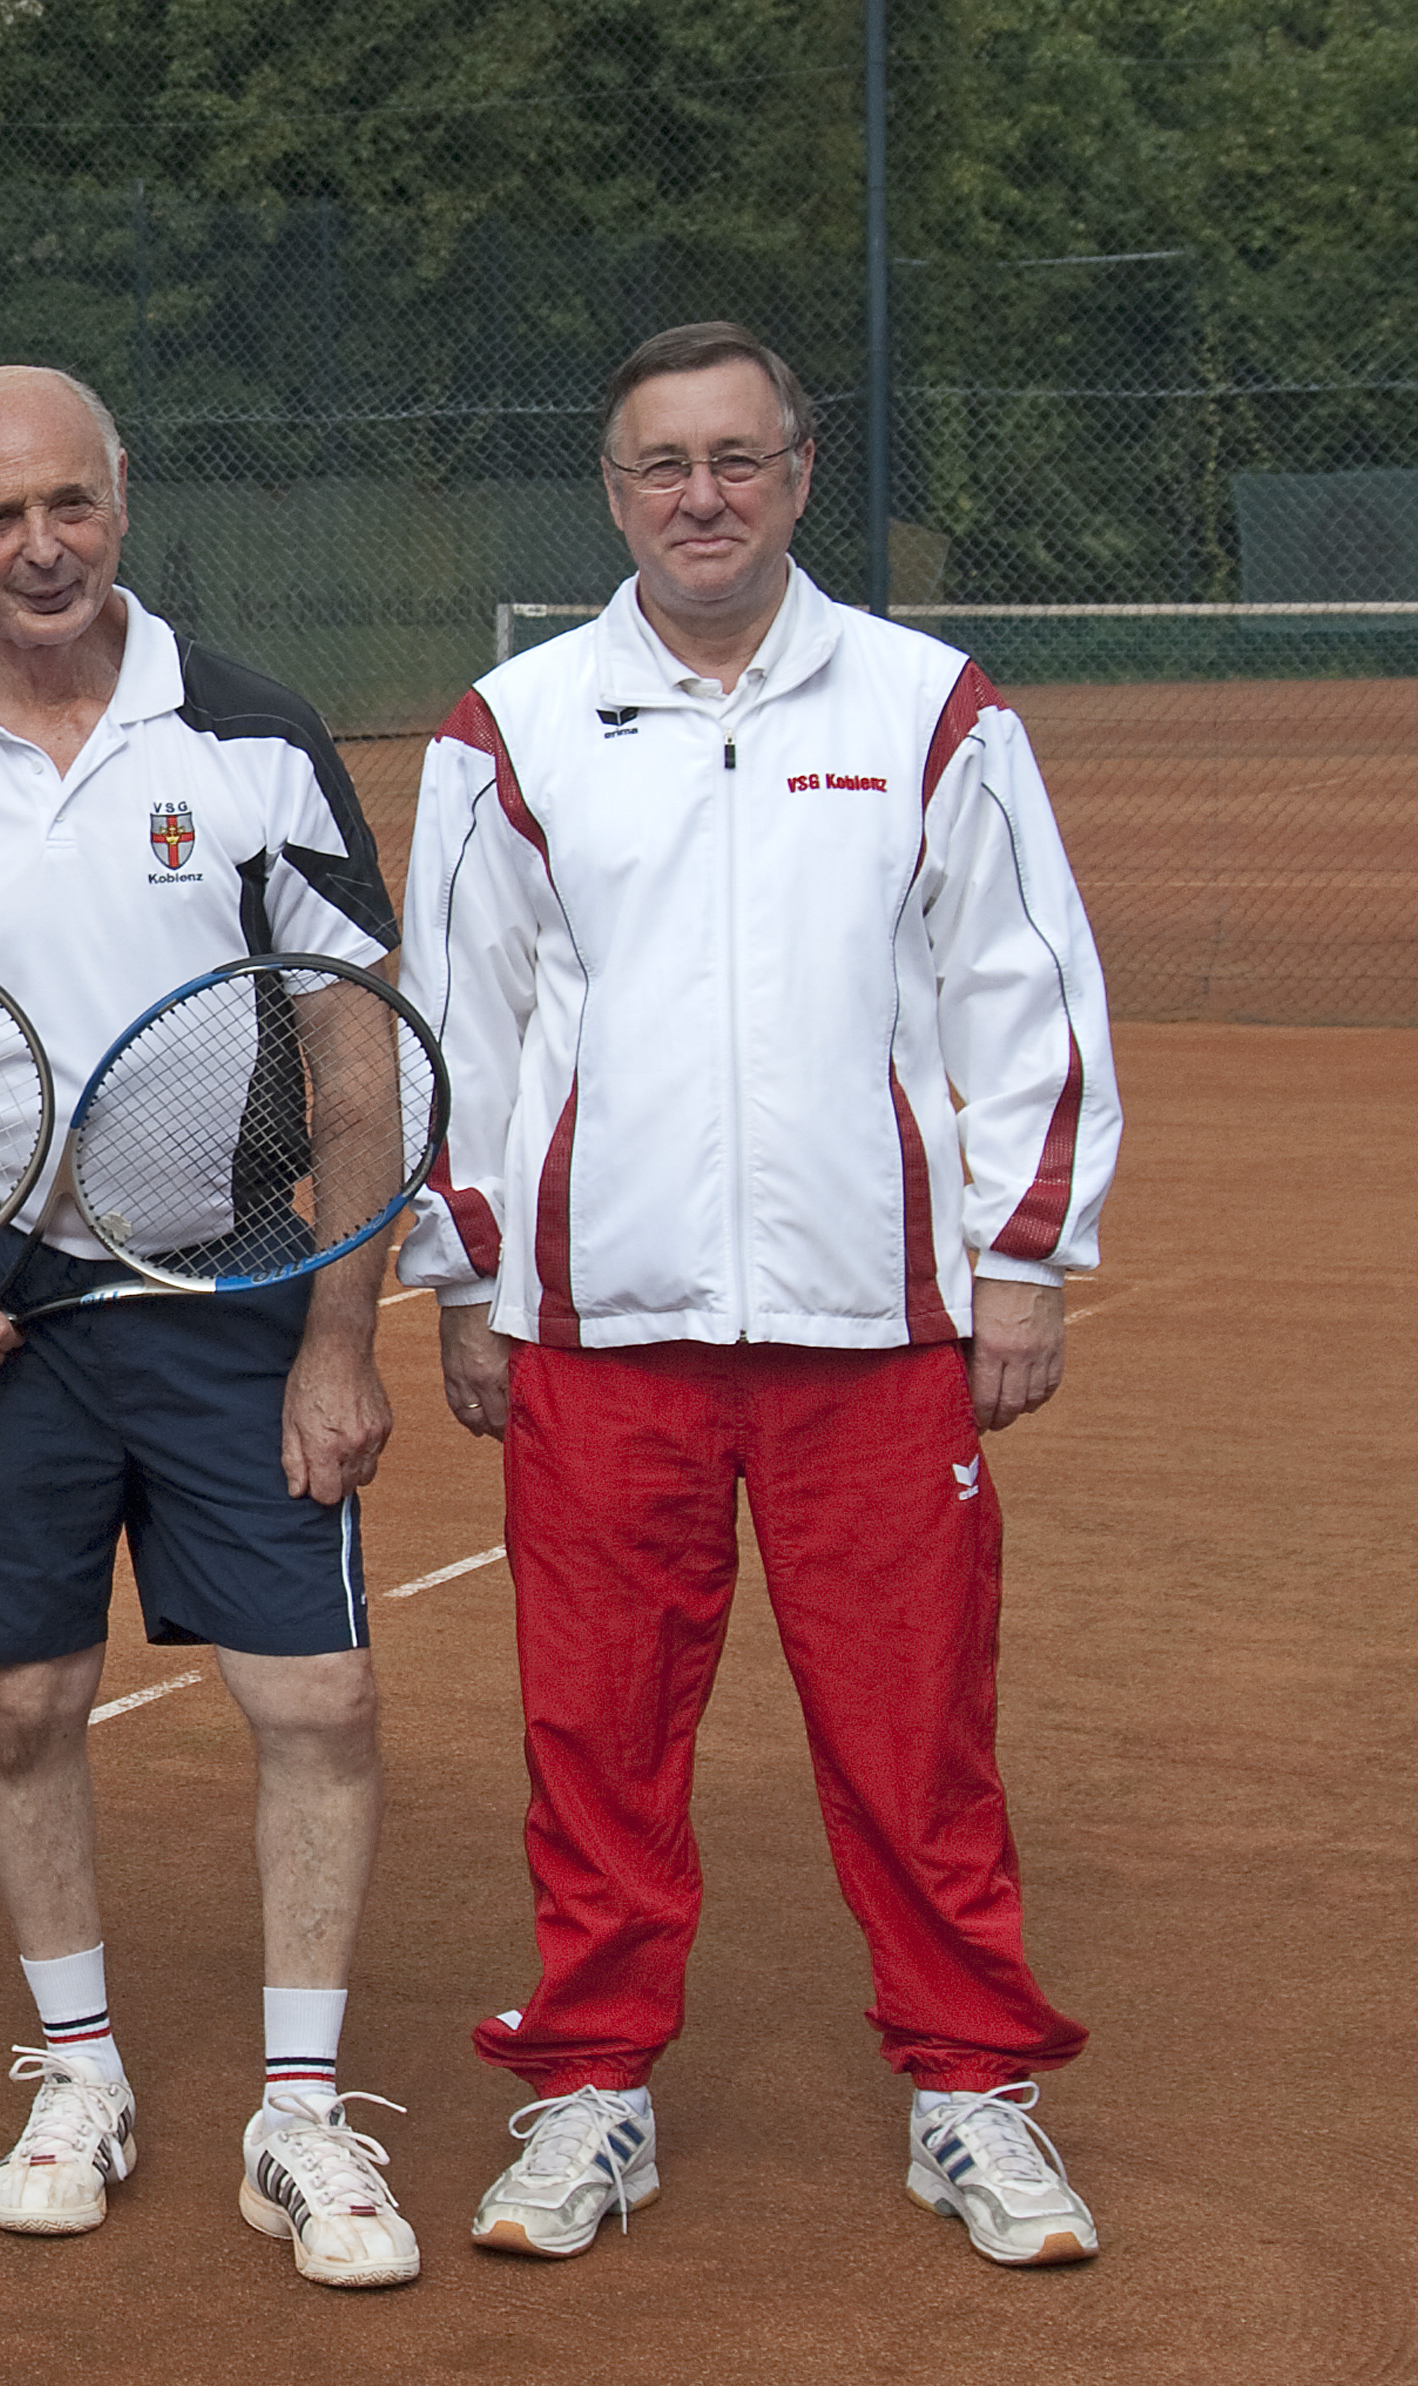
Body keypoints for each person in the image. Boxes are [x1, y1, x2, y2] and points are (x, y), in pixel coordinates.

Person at [401, 320, 1120, 2269]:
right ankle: (590, 2093)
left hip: (874, 1332)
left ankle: (970, 2092)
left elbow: (1024, 993)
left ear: (799, 475)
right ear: (612, 492)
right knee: (596, 1734)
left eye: (736, 459)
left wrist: (1022, 1256)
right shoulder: (515, 725)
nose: (699, 497)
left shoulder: (925, 706)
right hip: (595, 1334)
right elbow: (450, 1025)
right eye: (660, 466)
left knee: (913, 1735)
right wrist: (467, 1276)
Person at [0, 365, 423, 2290]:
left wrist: (335, 1338)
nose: (42, 549)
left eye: (71, 504)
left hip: (229, 1294)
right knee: (25, 1703)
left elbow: (352, 1061)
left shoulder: (251, 737)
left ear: (121, 501)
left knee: (315, 1701)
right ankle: (81, 2073)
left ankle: (299, 2114)